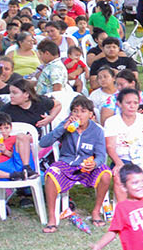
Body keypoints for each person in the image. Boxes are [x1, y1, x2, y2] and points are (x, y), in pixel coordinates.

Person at [39, 97, 112, 233]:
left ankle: (96, 211)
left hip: (87, 166)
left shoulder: (97, 131)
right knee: (51, 174)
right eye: (75, 111)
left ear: (91, 114)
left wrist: (95, 163)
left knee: (106, 173)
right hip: (67, 164)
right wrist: (62, 128)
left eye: (83, 111)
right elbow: (43, 143)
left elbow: (101, 155)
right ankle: (52, 218)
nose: (78, 114)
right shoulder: (65, 126)